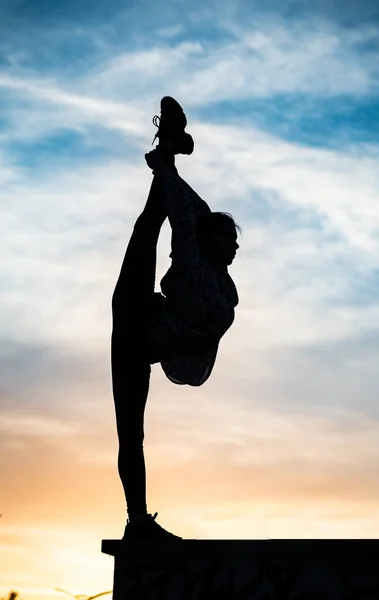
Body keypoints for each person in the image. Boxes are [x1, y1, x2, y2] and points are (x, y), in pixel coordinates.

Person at [111, 97, 241, 541]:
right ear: (214, 243)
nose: (237, 248)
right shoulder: (192, 251)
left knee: (133, 437)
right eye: (231, 240)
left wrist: (168, 164)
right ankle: (138, 521)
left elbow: (195, 209)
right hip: (135, 315)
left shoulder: (221, 285)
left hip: (145, 341)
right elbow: (187, 215)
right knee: (150, 223)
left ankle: (137, 520)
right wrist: (166, 162)